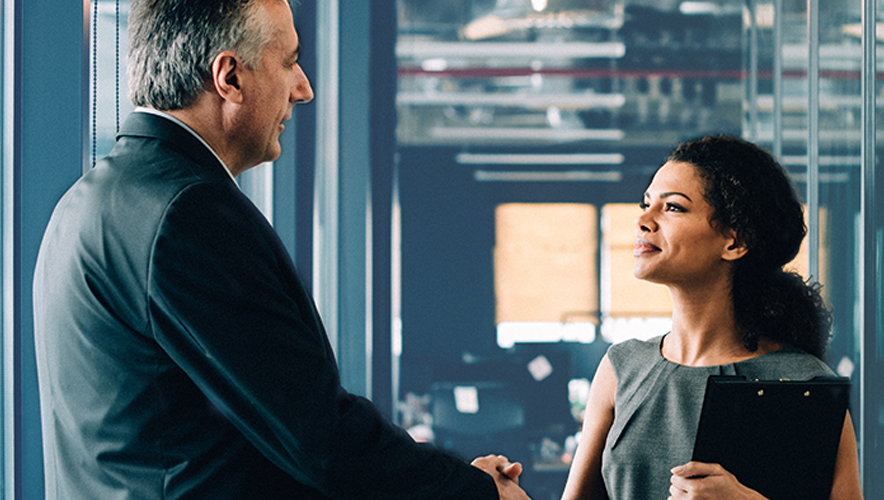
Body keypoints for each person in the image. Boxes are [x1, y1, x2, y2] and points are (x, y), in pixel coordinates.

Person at [32, 1, 530, 499]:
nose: (304, 88)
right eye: (289, 61)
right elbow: (320, 439)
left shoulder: (91, 201)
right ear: (229, 77)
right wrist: (477, 490)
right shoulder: (188, 214)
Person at [560, 135, 864, 500]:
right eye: (646, 204)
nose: (643, 219)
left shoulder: (806, 383)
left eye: (672, 207)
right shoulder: (622, 367)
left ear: (734, 242)